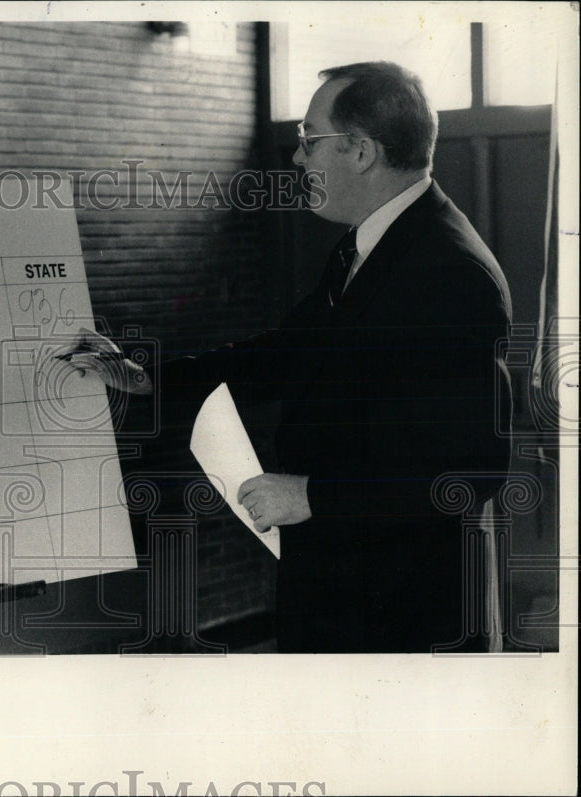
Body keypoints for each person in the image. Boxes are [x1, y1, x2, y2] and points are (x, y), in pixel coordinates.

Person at [65, 62, 513, 653]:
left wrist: (310, 495)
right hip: (338, 588)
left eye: (309, 139)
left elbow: (471, 469)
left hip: (399, 615)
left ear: (359, 151)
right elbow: (287, 352)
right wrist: (149, 379)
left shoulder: (450, 273)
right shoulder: (372, 243)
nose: (298, 159)